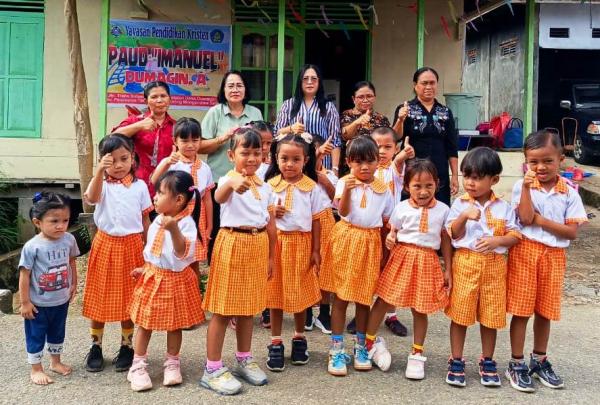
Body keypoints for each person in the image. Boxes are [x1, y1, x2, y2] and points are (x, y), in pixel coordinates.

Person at [505, 130, 587, 392]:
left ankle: (539, 359)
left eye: (548, 161)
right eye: (534, 162)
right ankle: (516, 363)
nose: (540, 167)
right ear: (526, 162)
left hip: (554, 256)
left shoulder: (569, 192)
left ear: (561, 159)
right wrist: (528, 189)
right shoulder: (522, 187)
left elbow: (571, 232)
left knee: (545, 310)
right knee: (521, 309)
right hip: (525, 252)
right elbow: (525, 219)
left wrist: (542, 221)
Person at [201, 128, 275, 395]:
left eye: (257, 152)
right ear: (232, 155)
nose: (252, 158)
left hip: (257, 245)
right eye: (246, 152)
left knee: (249, 308)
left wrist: (271, 257)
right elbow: (220, 197)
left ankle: (243, 358)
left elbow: (271, 225)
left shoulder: (265, 187)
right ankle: (212, 368)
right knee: (223, 309)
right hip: (232, 243)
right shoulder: (227, 179)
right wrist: (232, 184)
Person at [364, 159, 452, 380]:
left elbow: (445, 241)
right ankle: (368, 341)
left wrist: (448, 269)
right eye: (417, 186)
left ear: (437, 184)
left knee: (420, 308)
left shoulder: (443, 210)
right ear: (406, 187)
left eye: (429, 186)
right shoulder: (401, 207)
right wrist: (391, 239)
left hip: (427, 260)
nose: (423, 192)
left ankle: (417, 352)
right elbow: (393, 231)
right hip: (401, 257)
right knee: (384, 299)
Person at [444, 147, 521, 388]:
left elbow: (515, 235)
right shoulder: (459, 204)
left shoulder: (503, 207)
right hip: (465, 263)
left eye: (477, 178)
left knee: (491, 315)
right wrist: (464, 216)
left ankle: (487, 360)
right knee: (460, 314)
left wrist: (498, 241)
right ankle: (456, 359)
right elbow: (452, 234)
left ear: (494, 180)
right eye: (467, 176)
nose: (470, 183)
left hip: (494, 267)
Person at [321, 136, 394, 377]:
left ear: (378, 162)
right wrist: (349, 192)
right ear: (349, 163)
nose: (364, 167)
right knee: (341, 296)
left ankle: (361, 346)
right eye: (358, 161)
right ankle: (336, 348)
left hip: (370, 242)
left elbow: (387, 220)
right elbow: (341, 212)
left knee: (364, 297)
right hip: (346, 238)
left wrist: (388, 248)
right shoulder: (344, 182)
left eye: (370, 161)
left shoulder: (384, 189)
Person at [127, 171, 205, 392]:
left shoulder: (186, 224)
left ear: (179, 199)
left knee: (175, 323)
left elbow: (181, 253)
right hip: (153, 276)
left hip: (177, 279)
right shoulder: (158, 219)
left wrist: (174, 230)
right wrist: (145, 267)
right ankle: (138, 365)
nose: (155, 197)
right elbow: (156, 251)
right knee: (145, 322)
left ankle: (172, 362)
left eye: (160, 193)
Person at [82, 134, 153, 373]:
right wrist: (98, 173)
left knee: (130, 298)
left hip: (133, 245)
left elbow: (145, 218)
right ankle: (96, 345)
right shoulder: (101, 184)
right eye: (113, 160)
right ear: (103, 161)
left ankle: (126, 345)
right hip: (105, 244)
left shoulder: (140, 186)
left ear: (133, 158)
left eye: (125, 158)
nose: (120, 165)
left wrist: (150, 247)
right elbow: (91, 198)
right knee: (99, 296)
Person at [264, 133, 324, 371]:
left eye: (295, 159)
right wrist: (271, 214)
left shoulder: (312, 188)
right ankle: (276, 341)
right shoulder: (270, 186)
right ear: (276, 159)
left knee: (300, 297)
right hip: (276, 244)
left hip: (301, 244)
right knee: (275, 294)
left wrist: (316, 250)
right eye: (284, 158)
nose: (289, 164)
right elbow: (262, 216)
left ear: (306, 160)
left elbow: (318, 220)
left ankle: (299, 337)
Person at [199, 71, 263, 261]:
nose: (235, 90)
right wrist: (224, 137)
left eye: (239, 85)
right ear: (224, 90)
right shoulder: (215, 112)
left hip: (249, 178)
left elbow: (262, 142)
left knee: (245, 221)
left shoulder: (255, 113)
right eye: (231, 86)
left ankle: (245, 262)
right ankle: (216, 265)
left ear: (245, 89)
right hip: (220, 178)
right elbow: (200, 146)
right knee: (220, 225)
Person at [18, 192, 79, 385]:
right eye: (54, 221)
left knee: (57, 331)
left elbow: (71, 262)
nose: (61, 225)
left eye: (65, 220)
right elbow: (24, 274)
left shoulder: (69, 239)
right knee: (36, 334)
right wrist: (25, 302)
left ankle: (56, 362)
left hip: (61, 300)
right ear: (38, 222)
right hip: (38, 303)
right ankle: (36, 368)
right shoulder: (32, 247)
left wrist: (74, 284)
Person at [151, 118, 214, 264]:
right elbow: (154, 180)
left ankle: (192, 285)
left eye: (195, 140)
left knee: (194, 259)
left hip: (198, 216)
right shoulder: (171, 163)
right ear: (175, 141)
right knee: (170, 254)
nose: (191, 145)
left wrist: (209, 226)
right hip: (174, 214)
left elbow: (207, 198)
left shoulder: (204, 168)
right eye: (185, 141)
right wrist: (166, 163)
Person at [393, 67, 459, 206]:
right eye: (424, 83)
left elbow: (451, 147)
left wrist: (454, 176)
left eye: (432, 83)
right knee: (411, 211)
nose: (429, 86)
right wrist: (400, 120)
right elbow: (396, 137)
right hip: (412, 171)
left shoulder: (445, 112)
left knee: (440, 211)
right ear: (415, 85)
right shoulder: (405, 109)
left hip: (439, 172)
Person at [112, 81, 176, 197]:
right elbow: (113, 137)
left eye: (163, 96)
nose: (159, 100)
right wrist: (139, 126)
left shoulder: (176, 126)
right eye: (154, 97)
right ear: (146, 101)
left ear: (170, 99)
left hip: (166, 188)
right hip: (136, 185)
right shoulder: (135, 121)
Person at [274, 64, 341, 174]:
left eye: (314, 79)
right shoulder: (288, 105)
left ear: (319, 82)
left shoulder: (328, 106)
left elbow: (335, 140)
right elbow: (276, 133)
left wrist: (335, 168)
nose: (309, 82)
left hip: (322, 162)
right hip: (294, 162)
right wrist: (291, 128)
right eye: (305, 79)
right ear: (300, 82)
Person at [305, 135, 338, 335]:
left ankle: (324, 312)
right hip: (305, 222)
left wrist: (325, 181)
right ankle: (307, 309)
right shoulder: (301, 176)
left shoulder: (330, 176)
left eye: (321, 153)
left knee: (325, 266)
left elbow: (337, 200)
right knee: (306, 265)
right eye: (313, 153)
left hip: (326, 222)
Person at [340, 81, 391, 175]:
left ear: (374, 97)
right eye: (361, 97)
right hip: (353, 167)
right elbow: (345, 135)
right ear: (353, 99)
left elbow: (390, 139)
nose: (365, 100)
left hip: (377, 167)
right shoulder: (346, 115)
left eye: (369, 96)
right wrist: (357, 122)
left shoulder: (381, 119)